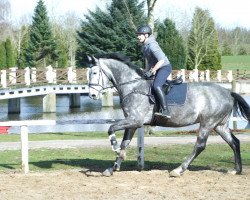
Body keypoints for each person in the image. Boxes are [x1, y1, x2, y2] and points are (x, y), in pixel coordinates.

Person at [136, 25, 172, 119]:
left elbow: (161, 61)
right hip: (158, 67)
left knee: (156, 86)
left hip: (164, 67)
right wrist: (145, 71)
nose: (138, 37)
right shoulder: (145, 47)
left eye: (140, 35)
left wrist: (152, 71)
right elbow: (151, 62)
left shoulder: (152, 45)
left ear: (146, 35)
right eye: (138, 35)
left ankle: (165, 110)